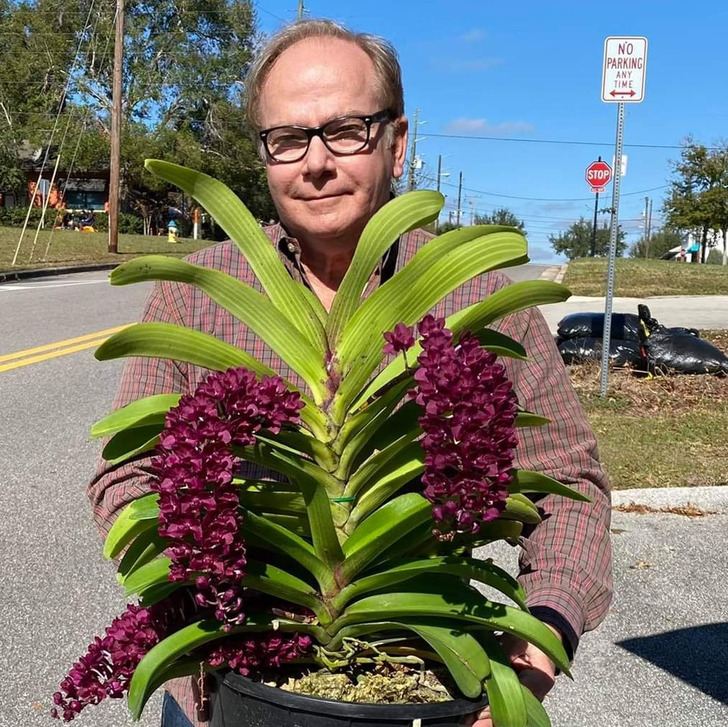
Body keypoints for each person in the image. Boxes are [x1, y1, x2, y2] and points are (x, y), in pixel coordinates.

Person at [88, 19, 612, 727]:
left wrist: (538, 644)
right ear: (265, 155)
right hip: (230, 680)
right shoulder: (196, 291)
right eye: (288, 138)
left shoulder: (477, 298)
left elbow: (569, 483)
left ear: (397, 143)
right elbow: (127, 474)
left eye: (345, 130)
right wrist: (196, 593)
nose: (315, 162)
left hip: (418, 672)